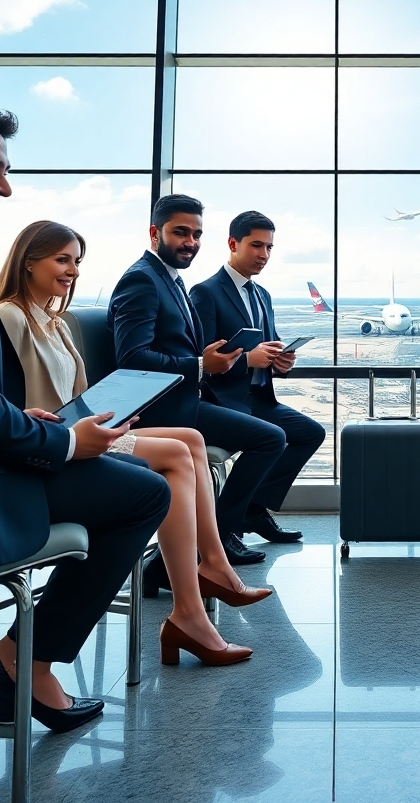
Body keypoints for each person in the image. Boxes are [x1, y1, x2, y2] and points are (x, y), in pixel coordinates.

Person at [0, 96, 170, 731]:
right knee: (143, 494)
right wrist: (68, 443)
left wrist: (24, 418)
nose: (5, 187)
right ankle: (23, 660)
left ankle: (21, 659)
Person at [0, 221, 269, 666]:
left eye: (76, 261)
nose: (72, 271)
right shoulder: (10, 316)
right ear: (28, 262)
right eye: (62, 260)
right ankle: (191, 607)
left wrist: (112, 412)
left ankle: (212, 565)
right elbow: (8, 403)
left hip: (76, 431)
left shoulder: (56, 323)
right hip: (53, 443)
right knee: (179, 454)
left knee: (191, 440)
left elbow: (76, 398)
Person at [108, 195, 293, 568]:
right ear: (154, 232)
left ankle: (169, 564)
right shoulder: (142, 280)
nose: (190, 242)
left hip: (187, 400)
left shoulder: (170, 279)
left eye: (196, 234)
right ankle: (221, 538)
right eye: (180, 232)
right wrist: (199, 365)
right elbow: (130, 358)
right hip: (164, 408)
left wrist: (216, 360)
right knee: (270, 438)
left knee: (278, 435)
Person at [190, 211, 326, 546]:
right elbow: (201, 360)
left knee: (311, 433)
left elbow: (271, 345)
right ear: (233, 244)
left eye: (269, 247)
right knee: (271, 439)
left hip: (259, 400)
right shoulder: (206, 292)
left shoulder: (263, 295)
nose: (264, 254)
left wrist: (281, 360)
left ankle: (252, 508)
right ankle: (223, 532)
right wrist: (248, 360)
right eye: (256, 245)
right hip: (219, 402)